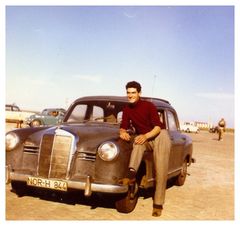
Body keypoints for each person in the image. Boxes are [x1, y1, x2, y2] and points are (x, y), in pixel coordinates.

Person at [119, 81, 171, 217]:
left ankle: (158, 204)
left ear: (139, 93)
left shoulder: (149, 106)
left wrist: (145, 136)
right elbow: (123, 125)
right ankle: (131, 174)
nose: (130, 95)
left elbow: (158, 127)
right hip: (146, 137)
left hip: (159, 136)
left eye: (133, 93)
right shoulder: (127, 109)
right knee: (137, 142)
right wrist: (122, 132)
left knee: (160, 169)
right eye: (128, 93)